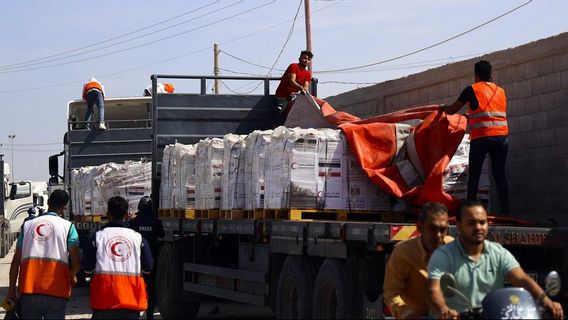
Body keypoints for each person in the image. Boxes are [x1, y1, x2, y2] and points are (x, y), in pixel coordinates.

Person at [427, 200, 564, 319]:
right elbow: (434, 290)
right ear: (458, 225)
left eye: (482, 222)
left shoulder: (497, 252)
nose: (478, 227)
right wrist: (444, 310)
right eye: (471, 223)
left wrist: (546, 301)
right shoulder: (443, 255)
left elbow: (522, 279)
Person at [440, 60, 510, 214]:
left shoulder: (472, 89)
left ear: (476, 74)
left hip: (482, 138)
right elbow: (488, 112)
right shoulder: (500, 91)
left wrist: (441, 109)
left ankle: (469, 212)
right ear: (490, 74)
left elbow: (452, 110)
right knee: (500, 176)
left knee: (474, 176)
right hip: (501, 139)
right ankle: (506, 212)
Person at [7, 189, 81, 319]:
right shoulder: (68, 227)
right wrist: (72, 276)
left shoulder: (27, 226)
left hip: (29, 289)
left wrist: (11, 291)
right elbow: (76, 263)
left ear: (48, 202)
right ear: (64, 208)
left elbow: (15, 262)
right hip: (57, 290)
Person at [84, 196, 153, 319]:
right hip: (131, 302)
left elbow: (87, 268)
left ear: (107, 214)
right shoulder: (138, 238)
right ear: (127, 215)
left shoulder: (98, 237)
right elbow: (148, 267)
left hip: (103, 302)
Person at [383, 202, 453, 319]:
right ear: (420, 227)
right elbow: (391, 293)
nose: (438, 235)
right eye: (432, 229)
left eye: (443, 229)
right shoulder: (403, 252)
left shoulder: (453, 248)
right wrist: (408, 314)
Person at [129, 196, 165, 320]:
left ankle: (136, 312)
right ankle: (149, 315)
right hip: (151, 260)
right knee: (151, 288)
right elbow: (162, 235)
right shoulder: (156, 221)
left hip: (136, 261)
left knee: (136, 287)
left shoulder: (134, 222)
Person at [275, 50, 313, 123]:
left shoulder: (307, 74)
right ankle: (275, 129)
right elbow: (292, 81)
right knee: (279, 116)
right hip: (282, 95)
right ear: (299, 59)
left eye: (308, 59)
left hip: (294, 97)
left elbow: (306, 86)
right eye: (304, 58)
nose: (306, 60)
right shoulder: (293, 66)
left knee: (292, 117)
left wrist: (304, 90)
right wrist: (301, 89)